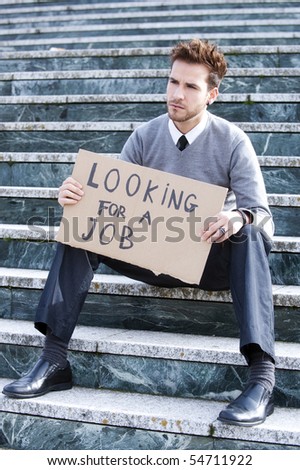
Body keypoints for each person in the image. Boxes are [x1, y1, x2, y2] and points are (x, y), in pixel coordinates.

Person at [3, 39, 276, 427]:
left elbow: (265, 217)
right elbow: (109, 203)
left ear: (212, 94)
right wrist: (76, 197)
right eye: (173, 82)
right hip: (149, 252)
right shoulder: (145, 136)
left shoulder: (233, 141)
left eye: (191, 86)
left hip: (206, 260)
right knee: (81, 222)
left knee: (250, 233)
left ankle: (262, 380)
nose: (177, 94)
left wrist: (236, 218)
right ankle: (53, 359)